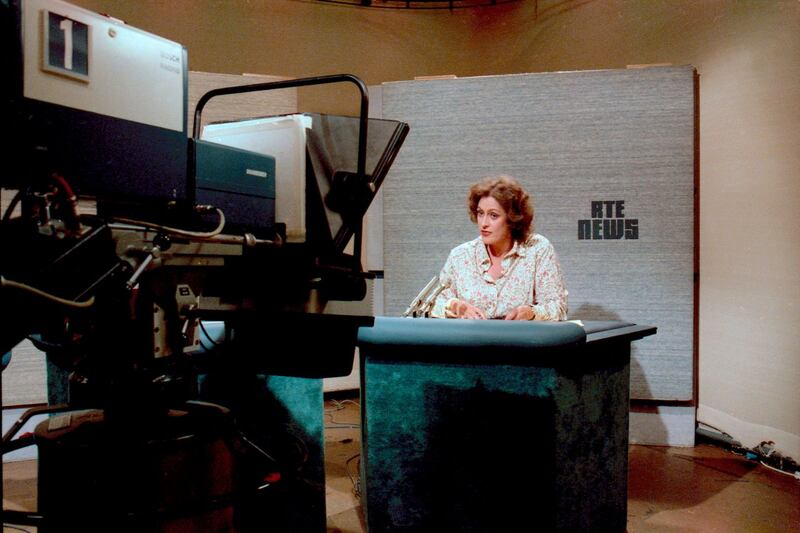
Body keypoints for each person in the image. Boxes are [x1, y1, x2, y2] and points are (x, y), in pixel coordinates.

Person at [430, 175, 568, 320]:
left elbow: (558, 307)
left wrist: (531, 313)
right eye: (480, 213)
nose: (483, 223)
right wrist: (455, 307)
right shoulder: (460, 256)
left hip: (518, 340)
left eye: (493, 216)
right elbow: (430, 306)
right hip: (469, 340)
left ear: (512, 218)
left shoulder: (537, 249)